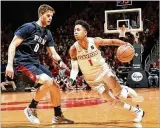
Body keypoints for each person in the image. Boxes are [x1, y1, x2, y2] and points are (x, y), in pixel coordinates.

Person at [5, 4, 74, 124]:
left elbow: (53, 53)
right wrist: (9, 64)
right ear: (41, 14)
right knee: (47, 80)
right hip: (22, 62)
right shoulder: (28, 27)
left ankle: (58, 116)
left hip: (35, 63)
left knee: (55, 86)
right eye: (48, 15)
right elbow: (12, 44)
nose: (50, 18)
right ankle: (31, 108)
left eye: (51, 16)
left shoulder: (47, 33)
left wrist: (61, 63)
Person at [68, 20, 144, 123]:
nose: (75, 32)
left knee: (120, 95)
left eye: (78, 29)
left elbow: (112, 41)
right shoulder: (73, 49)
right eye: (74, 30)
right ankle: (138, 111)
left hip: (103, 71)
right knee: (113, 101)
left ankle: (125, 90)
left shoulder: (94, 41)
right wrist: (72, 78)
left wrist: (125, 43)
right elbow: (75, 68)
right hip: (92, 80)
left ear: (85, 32)